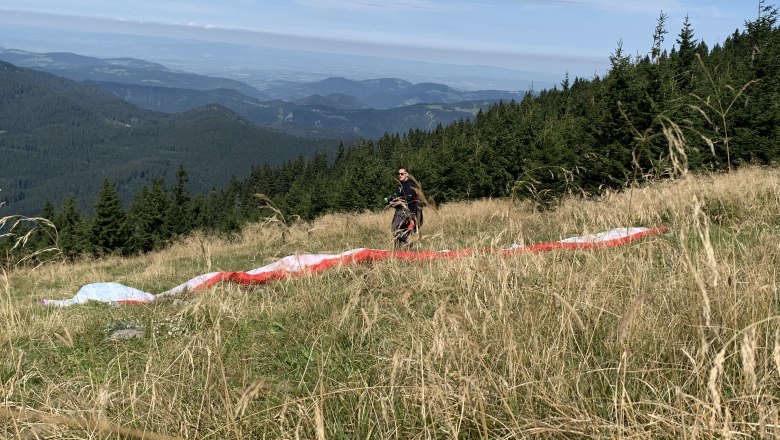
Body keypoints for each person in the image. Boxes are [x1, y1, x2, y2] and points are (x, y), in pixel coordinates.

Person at [388, 167, 424, 250]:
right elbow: (399, 198)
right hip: (400, 210)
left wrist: (396, 200)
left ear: (407, 174)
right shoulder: (401, 185)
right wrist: (392, 201)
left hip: (406, 211)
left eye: (402, 174)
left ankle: (410, 243)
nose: (400, 175)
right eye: (399, 174)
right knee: (400, 235)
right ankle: (401, 254)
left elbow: (407, 199)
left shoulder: (410, 184)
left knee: (395, 229)